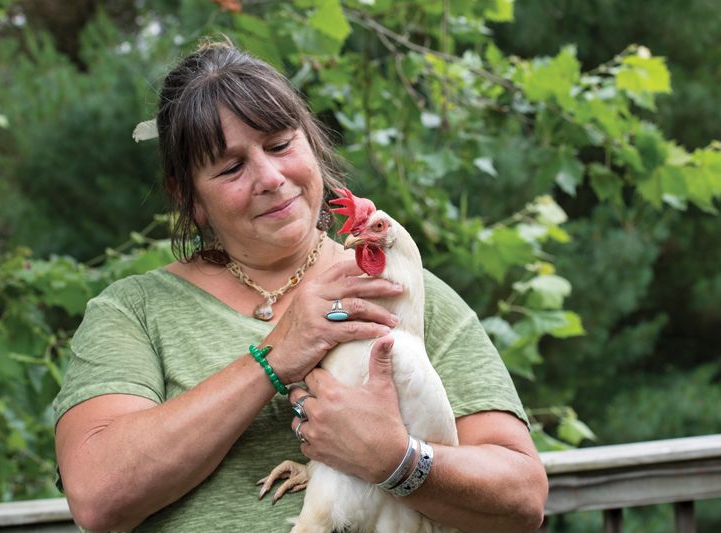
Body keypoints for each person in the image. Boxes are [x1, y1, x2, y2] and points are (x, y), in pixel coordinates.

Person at [53, 39, 548, 532]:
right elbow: (99, 497)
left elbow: (522, 499)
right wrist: (274, 356)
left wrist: (396, 459)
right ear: (190, 198)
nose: (269, 177)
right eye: (231, 167)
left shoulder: (406, 294)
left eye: (280, 145)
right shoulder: (133, 311)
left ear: (310, 143)